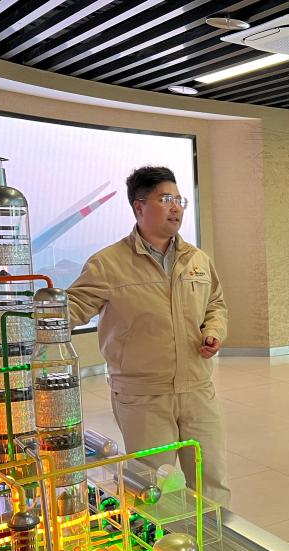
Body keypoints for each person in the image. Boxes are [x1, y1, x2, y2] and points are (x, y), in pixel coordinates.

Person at [67, 166, 231, 507]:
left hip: (197, 388)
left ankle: (218, 539)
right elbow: (72, 308)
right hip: (142, 396)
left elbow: (215, 305)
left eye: (179, 200)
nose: (176, 208)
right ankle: (167, 542)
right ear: (139, 207)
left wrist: (213, 331)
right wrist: (30, 320)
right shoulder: (108, 263)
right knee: (153, 487)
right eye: (165, 199)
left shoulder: (197, 259)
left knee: (212, 481)